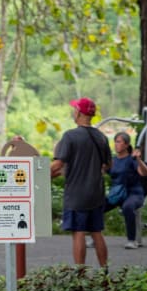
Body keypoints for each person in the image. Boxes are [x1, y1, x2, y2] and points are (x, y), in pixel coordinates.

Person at [50, 97, 111, 268]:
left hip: (77, 194)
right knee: (96, 232)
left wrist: (36, 174)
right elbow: (108, 165)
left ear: (78, 112)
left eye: (74, 109)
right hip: (96, 193)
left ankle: (80, 274)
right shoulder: (101, 137)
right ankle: (104, 271)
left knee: (78, 233)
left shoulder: (70, 136)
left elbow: (58, 164)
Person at [106, 131, 147, 249]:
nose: (116, 144)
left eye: (119, 142)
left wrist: (139, 160)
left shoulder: (132, 159)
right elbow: (101, 171)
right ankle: (94, 238)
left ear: (126, 145)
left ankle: (132, 240)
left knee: (128, 207)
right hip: (118, 194)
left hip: (134, 194)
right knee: (96, 206)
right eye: (115, 141)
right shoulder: (112, 160)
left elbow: (145, 172)